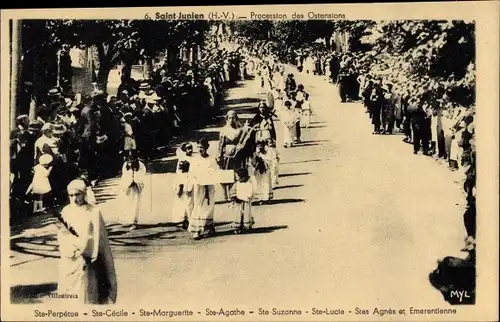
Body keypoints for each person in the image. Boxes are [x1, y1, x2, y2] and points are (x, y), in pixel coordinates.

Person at [56, 179, 117, 304]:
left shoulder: (94, 212)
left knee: (87, 292)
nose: (74, 198)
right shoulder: (66, 211)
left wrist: (87, 251)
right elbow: (62, 234)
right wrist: (69, 249)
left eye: (77, 194)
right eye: (71, 195)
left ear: (84, 194)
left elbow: (99, 237)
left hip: (87, 257)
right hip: (70, 256)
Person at [189, 138, 217, 240]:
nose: (200, 149)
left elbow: (216, 171)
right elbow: (191, 173)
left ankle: (210, 226)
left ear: (206, 148)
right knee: (198, 206)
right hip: (199, 186)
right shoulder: (195, 159)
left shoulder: (211, 159)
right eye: (199, 147)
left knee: (209, 206)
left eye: (202, 147)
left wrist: (210, 175)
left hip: (209, 186)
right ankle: (197, 230)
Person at [117, 157, 147, 230]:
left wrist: (135, 181)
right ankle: (128, 220)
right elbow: (124, 175)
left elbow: (141, 176)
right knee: (127, 204)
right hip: (128, 188)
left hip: (136, 188)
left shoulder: (140, 165)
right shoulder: (125, 164)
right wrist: (126, 184)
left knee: (135, 205)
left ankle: (134, 222)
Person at [230, 168, 255, 234]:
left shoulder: (249, 183)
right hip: (238, 202)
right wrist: (234, 197)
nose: (237, 178)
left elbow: (251, 192)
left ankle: (246, 225)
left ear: (243, 177)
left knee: (246, 213)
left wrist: (248, 198)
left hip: (246, 202)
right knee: (238, 214)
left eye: (238, 176)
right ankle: (237, 226)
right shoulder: (236, 184)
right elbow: (232, 191)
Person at [171, 160, 194, 229]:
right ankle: (183, 221)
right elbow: (176, 184)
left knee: (188, 207)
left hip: (187, 193)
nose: (182, 169)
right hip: (181, 194)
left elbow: (191, 184)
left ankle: (191, 222)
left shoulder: (190, 175)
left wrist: (188, 189)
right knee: (181, 207)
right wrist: (178, 190)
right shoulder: (179, 175)